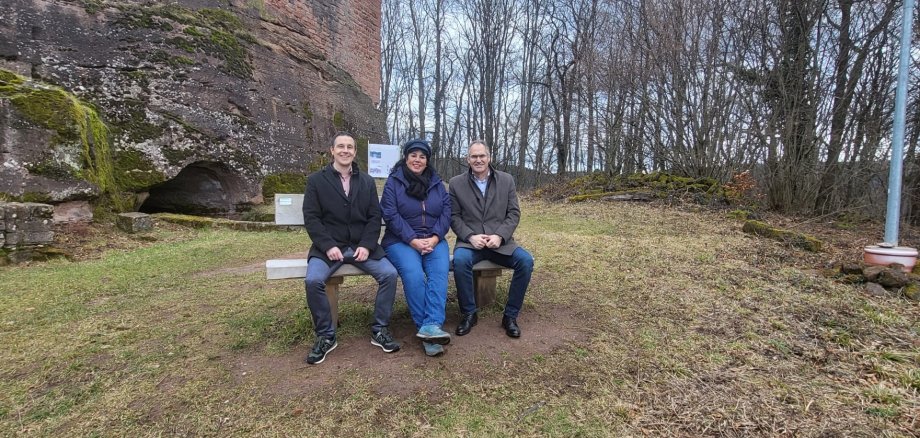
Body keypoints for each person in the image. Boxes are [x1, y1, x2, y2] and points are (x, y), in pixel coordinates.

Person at [301, 132, 400, 365]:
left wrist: (366, 245)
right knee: (313, 281)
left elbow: (375, 217)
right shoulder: (316, 180)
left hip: (360, 248)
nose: (345, 150)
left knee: (390, 274)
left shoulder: (365, 181)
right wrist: (327, 246)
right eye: (340, 146)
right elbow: (312, 218)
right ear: (332, 151)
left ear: (355, 152)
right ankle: (326, 336)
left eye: (350, 147)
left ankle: (380, 329)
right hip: (327, 249)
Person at [449, 140, 534, 338]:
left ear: (489, 157)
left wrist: (500, 235)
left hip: (500, 243)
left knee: (526, 261)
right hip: (470, 243)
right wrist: (470, 236)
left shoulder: (506, 180)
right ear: (467, 159)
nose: (478, 160)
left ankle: (510, 316)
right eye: (474, 156)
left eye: (482, 156)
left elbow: (513, 213)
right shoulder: (456, 183)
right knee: (459, 261)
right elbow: (454, 216)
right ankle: (469, 313)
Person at [380, 139, 453, 357]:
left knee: (439, 273)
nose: (417, 160)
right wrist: (412, 239)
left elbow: (446, 212)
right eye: (413, 155)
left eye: (422, 156)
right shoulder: (394, 182)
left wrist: (435, 237)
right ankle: (427, 330)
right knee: (413, 275)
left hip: (433, 240)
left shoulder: (437, 184)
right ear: (406, 157)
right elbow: (390, 214)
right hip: (400, 241)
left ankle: (432, 325)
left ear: (427, 160)